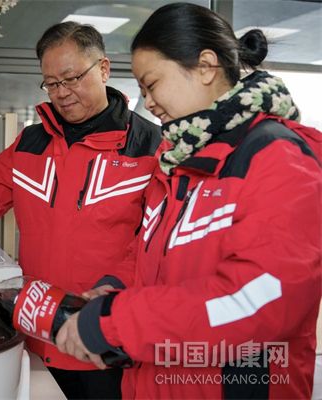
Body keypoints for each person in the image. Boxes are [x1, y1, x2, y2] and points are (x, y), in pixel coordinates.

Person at [54, 3, 322, 399]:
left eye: (153, 84)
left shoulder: (276, 157)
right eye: (142, 91)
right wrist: (114, 288)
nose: (148, 103)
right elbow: (154, 257)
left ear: (206, 66)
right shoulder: (178, 162)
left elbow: (258, 301)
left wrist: (114, 321)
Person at [0, 21, 162, 399]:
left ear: (103, 68)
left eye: (71, 78)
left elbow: (156, 246)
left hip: (106, 339)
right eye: (51, 83)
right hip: (37, 332)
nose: (62, 93)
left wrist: (111, 294)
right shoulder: (32, 141)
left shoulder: (149, 148)